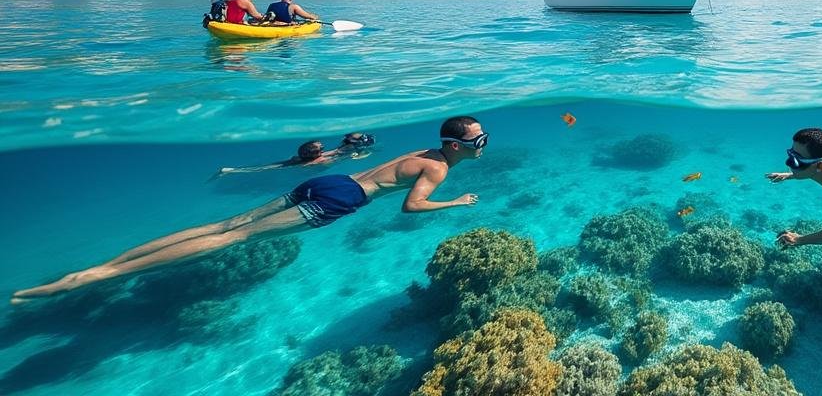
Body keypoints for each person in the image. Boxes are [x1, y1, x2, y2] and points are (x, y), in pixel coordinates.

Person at [12, 117, 486, 304]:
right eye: (477, 140)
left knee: (227, 223)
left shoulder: (425, 151)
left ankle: (107, 265)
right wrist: (455, 203)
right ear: (454, 145)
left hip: (330, 181)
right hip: (341, 198)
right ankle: (99, 276)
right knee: (234, 238)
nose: (483, 145)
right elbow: (410, 207)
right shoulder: (438, 168)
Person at [213, 133, 376, 177]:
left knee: (267, 167)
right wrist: (355, 153)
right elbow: (336, 157)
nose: (323, 148)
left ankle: (230, 170)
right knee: (266, 168)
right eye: (321, 148)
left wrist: (346, 147)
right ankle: (231, 171)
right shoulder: (319, 161)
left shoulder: (319, 156)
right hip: (296, 165)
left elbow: (335, 152)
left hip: (297, 161)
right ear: (317, 154)